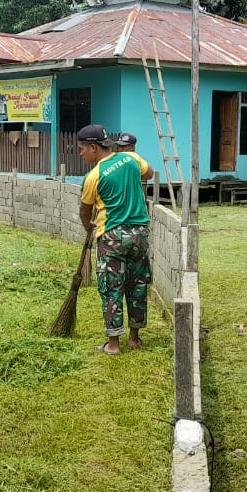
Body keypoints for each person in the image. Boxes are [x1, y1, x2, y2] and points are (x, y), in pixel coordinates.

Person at [77, 123, 152, 355]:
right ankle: (134, 338)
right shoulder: (131, 159)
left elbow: (84, 211)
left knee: (111, 288)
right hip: (139, 233)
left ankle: (113, 344)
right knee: (137, 284)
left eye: (82, 149)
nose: (80, 153)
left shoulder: (94, 176)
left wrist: (89, 228)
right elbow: (148, 174)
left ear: (93, 147)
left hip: (112, 236)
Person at [114, 132, 155, 197]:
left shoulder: (136, 159)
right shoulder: (114, 159)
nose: (120, 149)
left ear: (132, 147)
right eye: (119, 146)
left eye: (124, 146)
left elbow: (150, 174)